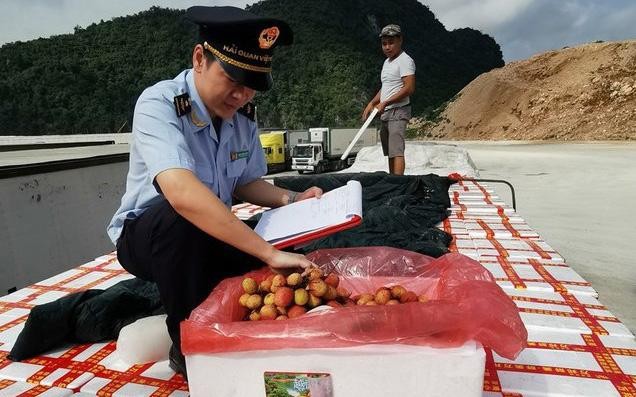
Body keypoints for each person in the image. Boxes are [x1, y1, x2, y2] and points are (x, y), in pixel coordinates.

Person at [107, 6, 322, 378]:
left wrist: (292, 200)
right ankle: (190, 347)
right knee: (183, 221)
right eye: (233, 77)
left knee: (290, 264)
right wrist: (266, 252)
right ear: (199, 59)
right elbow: (181, 194)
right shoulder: (159, 104)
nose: (241, 94)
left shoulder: (241, 118)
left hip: (205, 234)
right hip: (151, 236)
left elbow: (245, 182)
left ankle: (268, 339)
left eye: (252, 82)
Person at [362, 24, 416, 175]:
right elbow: (385, 88)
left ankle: (398, 185)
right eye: (384, 43)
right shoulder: (387, 62)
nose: (387, 47)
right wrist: (372, 103)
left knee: (397, 150)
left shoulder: (405, 60)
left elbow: (409, 88)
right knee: (390, 152)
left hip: (398, 112)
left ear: (400, 40)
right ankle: (392, 180)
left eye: (391, 42)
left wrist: (385, 102)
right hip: (386, 113)